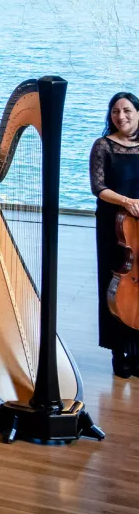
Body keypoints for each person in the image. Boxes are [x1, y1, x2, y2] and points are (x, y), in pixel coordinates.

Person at [91, 92, 139, 377]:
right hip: (114, 224)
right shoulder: (103, 146)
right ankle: (118, 352)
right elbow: (98, 187)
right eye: (115, 112)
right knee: (113, 284)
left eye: (127, 111)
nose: (121, 116)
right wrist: (126, 201)